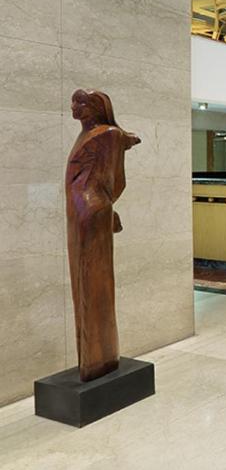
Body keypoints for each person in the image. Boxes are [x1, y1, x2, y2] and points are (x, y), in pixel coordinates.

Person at [65, 89, 141, 381]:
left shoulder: (106, 134)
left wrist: (106, 210)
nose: (74, 107)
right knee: (82, 283)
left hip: (91, 210)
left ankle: (100, 356)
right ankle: (93, 358)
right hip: (79, 213)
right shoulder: (89, 134)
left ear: (97, 107)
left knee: (93, 282)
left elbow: (115, 180)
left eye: (81, 102)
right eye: (74, 101)